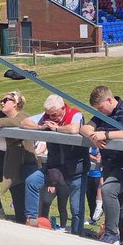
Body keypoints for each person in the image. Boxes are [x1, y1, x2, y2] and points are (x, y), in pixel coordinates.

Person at [80, 86, 123, 245]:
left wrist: (106, 135)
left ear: (109, 99)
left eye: (100, 108)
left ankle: (111, 233)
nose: (100, 111)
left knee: (107, 190)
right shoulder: (101, 115)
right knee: (121, 203)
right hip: (109, 163)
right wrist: (93, 136)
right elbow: (84, 128)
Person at [23, 95, 86, 234]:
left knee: (76, 209)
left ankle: (77, 235)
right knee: (31, 181)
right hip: (53, 167)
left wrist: (57, 129)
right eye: (49, 115)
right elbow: (24, 122)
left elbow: (74, 129)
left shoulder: (75, 114)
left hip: (76, 169)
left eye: (55, 115)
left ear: (63, 108)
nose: (52, 118)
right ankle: (32, 219)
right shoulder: (47, 117)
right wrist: (40, 126)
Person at [0, 91, 39, 221]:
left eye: (5, 100)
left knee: (19, 201)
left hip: (19, 163)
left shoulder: (23, 116)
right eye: (1, 100)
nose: (1, 103)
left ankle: (23, 223)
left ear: (16, 103)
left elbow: (15, 122)